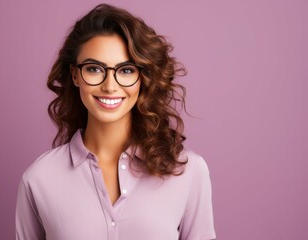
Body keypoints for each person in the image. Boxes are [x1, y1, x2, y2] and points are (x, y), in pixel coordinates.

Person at [16, 3, 216, 240]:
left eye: (126, 70)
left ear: (143, 77)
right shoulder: (39, 178)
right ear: (75, 75)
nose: (110, 86)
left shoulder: (188, 172)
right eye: (94, 68)